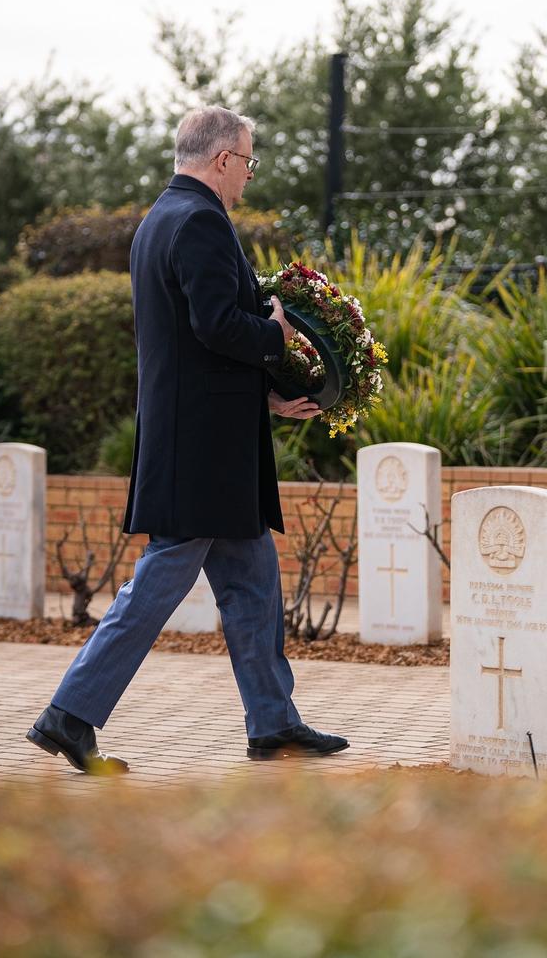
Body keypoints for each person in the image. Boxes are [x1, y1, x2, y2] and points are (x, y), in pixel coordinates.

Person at [26, 105, 349, 774]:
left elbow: (191, 344)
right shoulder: (201, 219)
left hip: (209, 444)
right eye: (249, 163)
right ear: (224, 158)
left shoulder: (159, 220)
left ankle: (273, 724)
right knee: (154, 589)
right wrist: (279, 335)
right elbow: (216, 325)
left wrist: (264, 392)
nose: (249, 177)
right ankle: (69, 714)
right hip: (201, 454)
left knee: (254, 585)